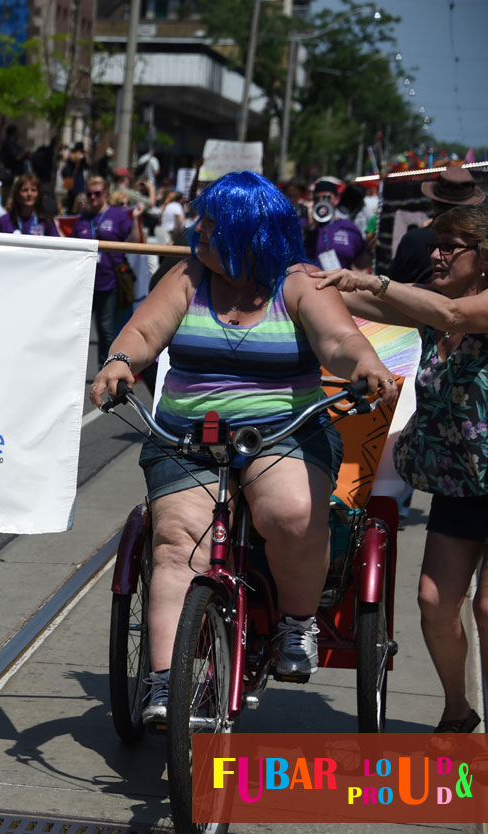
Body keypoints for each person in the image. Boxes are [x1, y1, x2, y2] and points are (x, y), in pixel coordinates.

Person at [89, 171, 396, 726]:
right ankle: (164, 681)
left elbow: (339, 341)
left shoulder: (299, 281)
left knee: (292, 512)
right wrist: (118, 361)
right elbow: (142, 333)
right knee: (177, 539)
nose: (196, 231)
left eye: (210, 223)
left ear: (248, 231)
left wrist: (366, 365)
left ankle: (296, 624)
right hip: (188, 439)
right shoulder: (187, 276)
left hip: (284, 432)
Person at [313, 205, 488, 735]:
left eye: (451, 246)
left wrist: (374, 277)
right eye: (437, 243)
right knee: (434, 603)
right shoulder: (434, 311)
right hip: (462, 485)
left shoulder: (458, 311)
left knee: (487, 611)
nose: (437, 254)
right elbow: (353, 298)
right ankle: (458, 710)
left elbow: (452, 315)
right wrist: (298, 282)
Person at [69, 175, 141, 361]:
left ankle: (107, 370)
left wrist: (135, 220)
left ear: (106, 193)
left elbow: (133, 242)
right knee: (76, 329)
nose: (93, 197)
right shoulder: (83, 220)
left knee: (106, 329)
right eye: (89, 194)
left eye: (97, 193)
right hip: (84, 282)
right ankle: (73, 371)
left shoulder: (118, 215)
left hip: (109, 281)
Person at [389, 166, 484, 284]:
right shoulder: (477, 239)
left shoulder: (413, 239)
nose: (435, 255)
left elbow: (392, 284)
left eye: (449, 246)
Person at [304, 178, 369, 271]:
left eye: (327, 197)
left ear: (337, 199)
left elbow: (360, 264)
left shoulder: (349, 228)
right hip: (314, 284)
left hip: (342, 284)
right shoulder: (309, 230)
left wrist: (370, 251)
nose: (322, 201)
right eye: (317, 198)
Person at [0, 173, 58, 237]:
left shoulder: (46, 222)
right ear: (17, 194)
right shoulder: (3, 221)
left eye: (33, 190)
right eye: (25, 190)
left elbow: (57, 245)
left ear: (38, 195)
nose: (29, 194)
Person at [61, 142, 89, 210]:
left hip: (71, 179)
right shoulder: (82, 156)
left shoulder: (71, 155)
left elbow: (65, 161)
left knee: (71, 198)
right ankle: (78, 211)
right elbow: (87, 166)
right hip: (79, 179)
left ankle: (69, 212)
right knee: (80, 199)